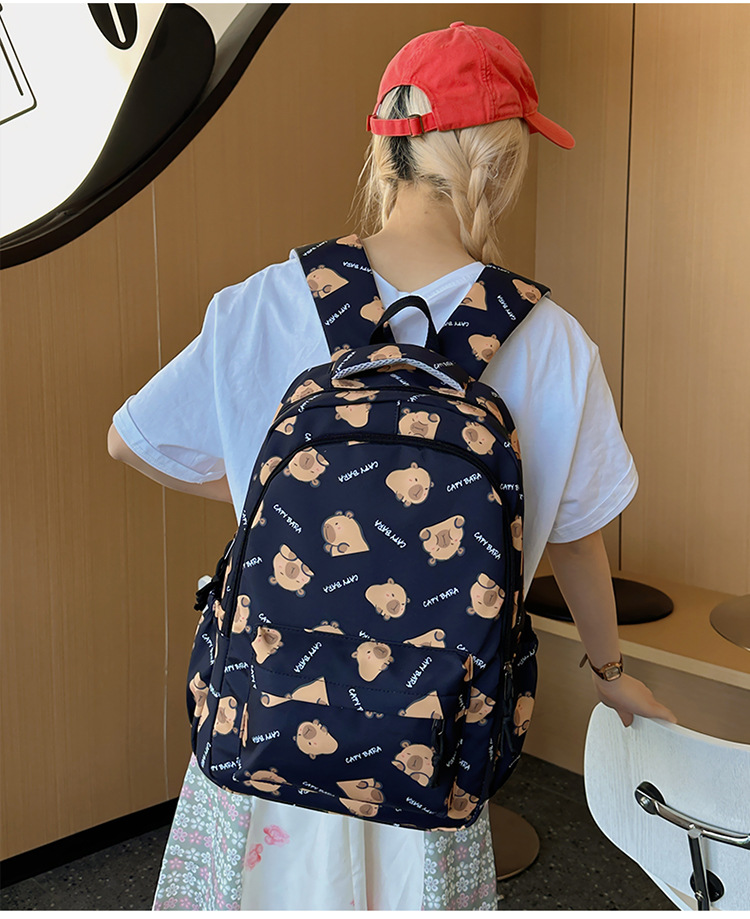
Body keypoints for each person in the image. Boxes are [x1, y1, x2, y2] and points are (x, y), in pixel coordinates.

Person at [108, 22, 677, 911]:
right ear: (502, 161)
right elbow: (575, 540)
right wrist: (609, 674)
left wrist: (270, 493)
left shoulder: (266, 302)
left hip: (268, 727)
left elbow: (132, 437)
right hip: (433, 749)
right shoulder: (553, 343)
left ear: (384, 149)